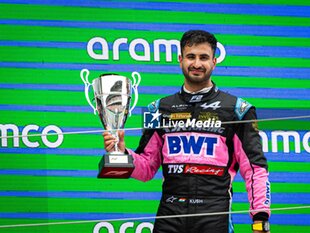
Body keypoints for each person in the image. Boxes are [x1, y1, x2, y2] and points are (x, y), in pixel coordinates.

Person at [103, 30, 271, 233]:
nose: (197, 64)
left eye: (204, 57)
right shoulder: (157, 109)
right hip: (170, 214)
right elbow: (146, 168)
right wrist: (122, 154)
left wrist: (260, 218)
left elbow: (255, 168)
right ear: (180, 59)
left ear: (215, 61)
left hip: (214, 214)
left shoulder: (238, 109)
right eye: (191, 57)